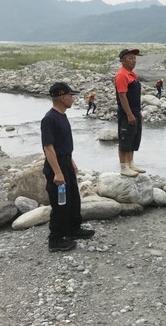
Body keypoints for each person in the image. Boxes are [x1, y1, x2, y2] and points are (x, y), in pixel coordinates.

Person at [41, 82, 95, 252]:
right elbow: (48, 147)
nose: (72, 98)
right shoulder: (49, 119)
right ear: (63, 97)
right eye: (71, 96)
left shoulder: (62, 116)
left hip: (65, 161)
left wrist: (70, 161)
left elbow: (62, 144)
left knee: (73, 198)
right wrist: (57, 172)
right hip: (56, 165)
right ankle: (55, 239)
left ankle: (73, 230)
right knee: (60, 203)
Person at [115, 48, 145, 177]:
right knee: (125, 139)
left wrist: (138, 113)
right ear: (122, 60)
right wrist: (129, 114)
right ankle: (123, 166)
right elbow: (122, 96)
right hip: (126, 113)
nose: (133, 60)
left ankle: (131, 163)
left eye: (134, 58)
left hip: (135, 111)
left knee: (133, 138)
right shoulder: (121, 75)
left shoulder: (132, 75)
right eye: (130, 58)